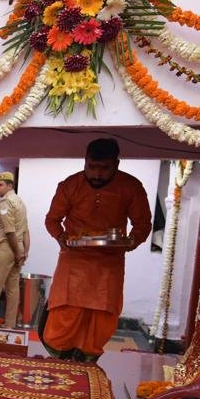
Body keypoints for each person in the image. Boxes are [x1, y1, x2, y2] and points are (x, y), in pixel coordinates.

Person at [43, 138, 151, 361]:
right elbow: (52, 220)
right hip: (74, 261)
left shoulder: (131, 187)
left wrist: (132, 241)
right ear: (85, 162)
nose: (97, 175)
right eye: (92, 167)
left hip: (109, 262)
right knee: (65, 312)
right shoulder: (70, 185)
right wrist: (62, 238)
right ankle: (57, 361)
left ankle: (87, 367)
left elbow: (143, 224)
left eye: (104, 169)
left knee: (101, 316)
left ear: (116, 164)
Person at [0, 172, 30, 328]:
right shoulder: (20, 203)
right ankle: (10, 326)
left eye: (0, 185)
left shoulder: (6, 202)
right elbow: (25, 231)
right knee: (12, 289)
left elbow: (10, 231)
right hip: (18, 248)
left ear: (10, 185)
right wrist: (24, 252)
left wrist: (17, 252)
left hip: (7, 248)